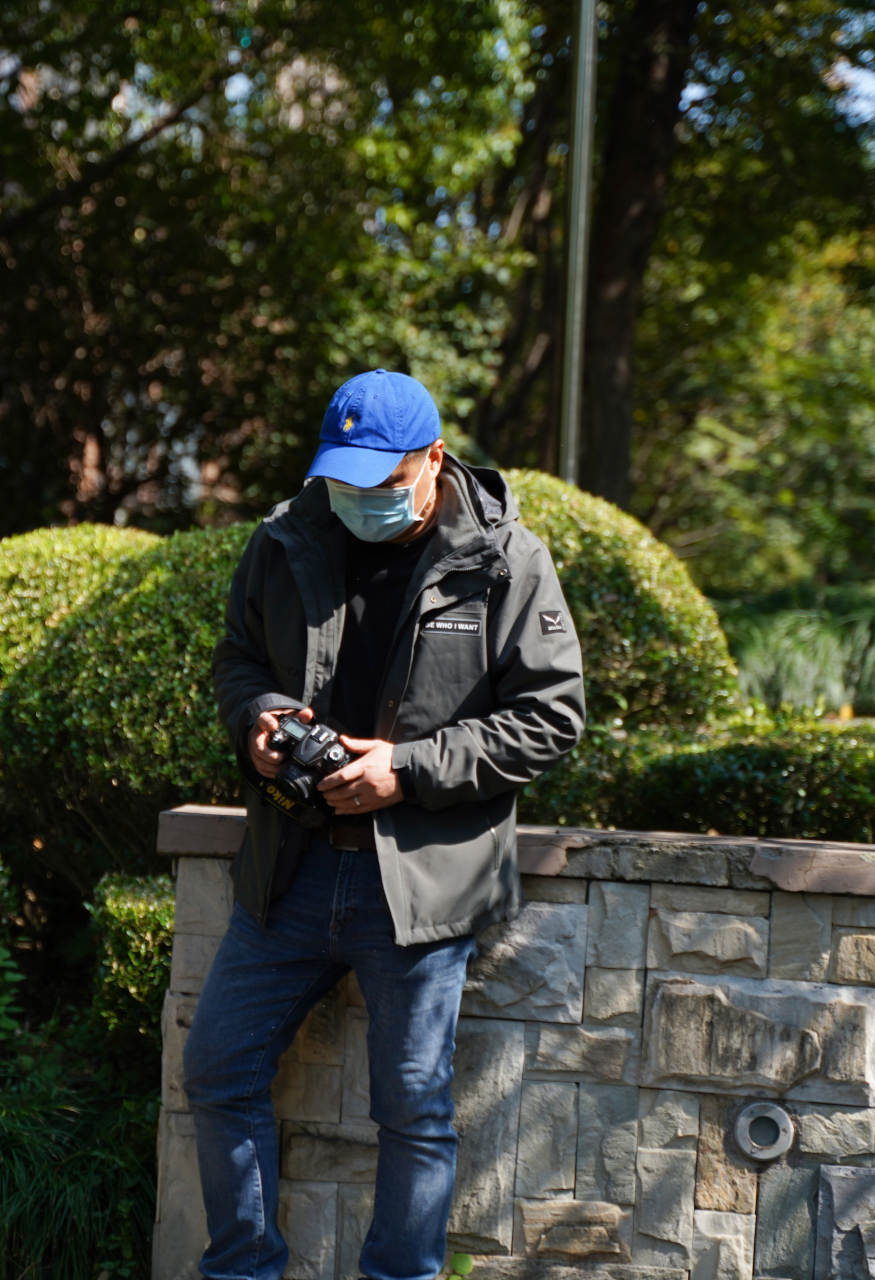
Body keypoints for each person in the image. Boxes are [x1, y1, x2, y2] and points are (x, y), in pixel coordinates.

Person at [185, 368, 587, 1280]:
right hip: (288, 870)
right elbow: (239, 659)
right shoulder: (285, 539)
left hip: (420, 883)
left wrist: (404, 770)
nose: (360, 499)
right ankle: (242, 1269)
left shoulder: (506, 558)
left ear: (433, 459)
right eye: (343, 480)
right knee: (217, 1070)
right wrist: (259, 722)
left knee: (413, 1110)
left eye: (383, 481)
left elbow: (551, 717)